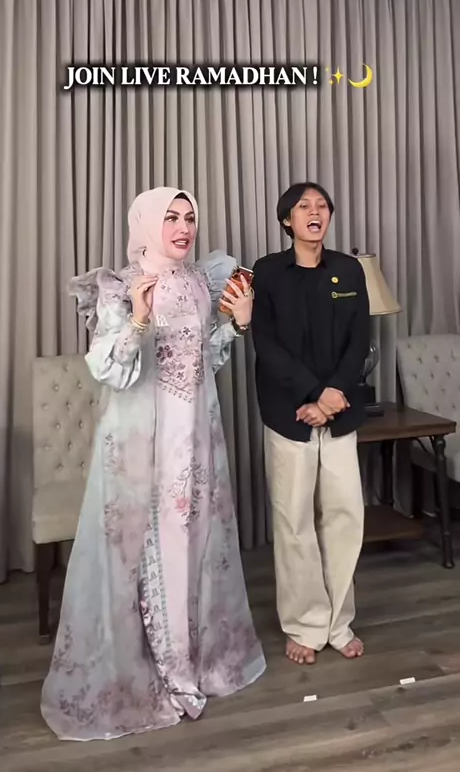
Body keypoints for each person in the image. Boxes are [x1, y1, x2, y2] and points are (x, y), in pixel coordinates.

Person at [41, 187, 266, 740]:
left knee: (192, 542)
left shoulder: (200, 281)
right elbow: (110, 369)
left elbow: (205, 358)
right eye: (170, 217)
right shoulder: (123, 286)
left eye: (189, 217)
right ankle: (154, 669)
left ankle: (190, 658)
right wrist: (139, 320)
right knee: (143, 551)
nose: (183, 227)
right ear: (145, 223)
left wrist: (236, 324)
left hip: (196, 436)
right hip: (143, 441)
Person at [251, 181, 370, 666]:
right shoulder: (267, 271)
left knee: (345, 517)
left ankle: (338, 622)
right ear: (287, 220)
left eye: (322, 206)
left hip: (339, 412)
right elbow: (267, 345)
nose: (314, 212)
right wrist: (313, 394)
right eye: (304, 206)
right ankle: (305, 623)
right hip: (288, 415)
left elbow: (360, 338)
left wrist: (333, 395)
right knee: (294, 521)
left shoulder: (349, 269)